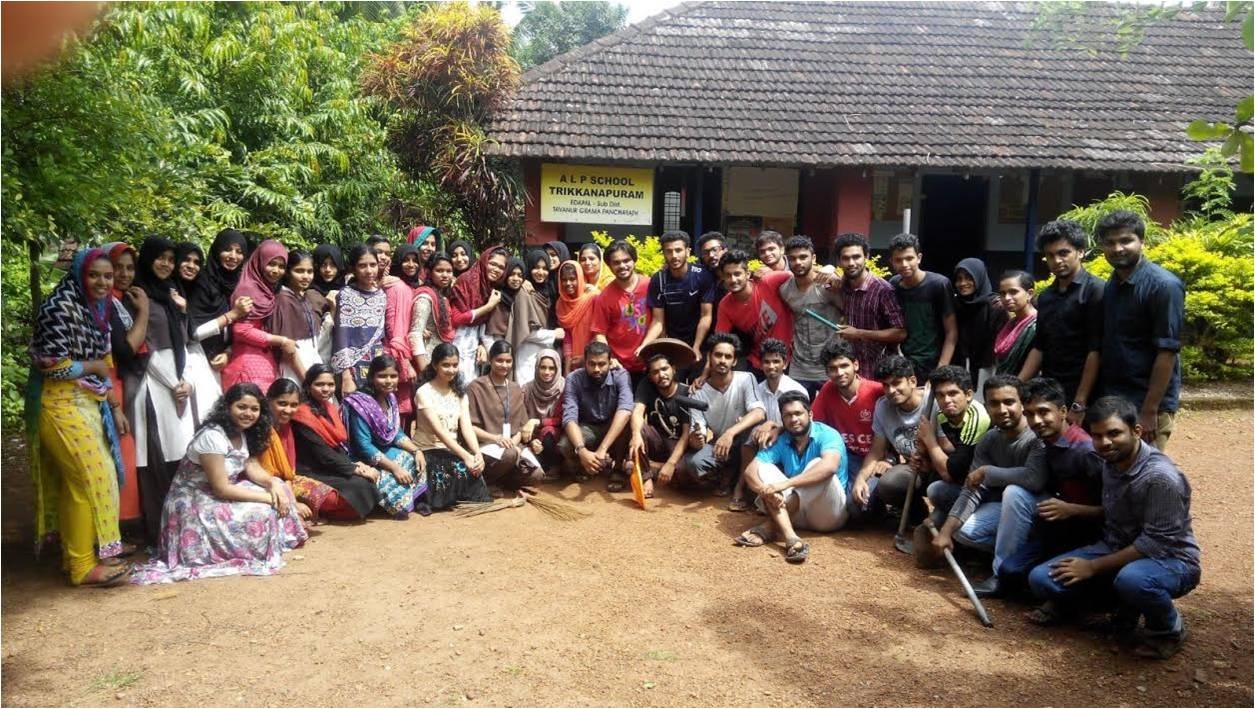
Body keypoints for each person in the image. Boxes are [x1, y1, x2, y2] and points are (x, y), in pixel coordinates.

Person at [1027, 396, 1199, 659]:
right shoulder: (1111, 462)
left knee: (1134, 580)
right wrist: (1074, 510)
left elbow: (1155, 543)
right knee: (1041, 579)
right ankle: (1119, 606)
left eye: (1114, 433)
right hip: (1116, 546)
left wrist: (1093, 566)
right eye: (1097, 436)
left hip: (1170, 559)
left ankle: (1168, 629)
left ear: (1136, 431)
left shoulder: (1160, 478)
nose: (1105, 442)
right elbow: (1112, 511)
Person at [130, 383, 308, 584]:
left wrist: (272, 485)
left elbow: (251, 466)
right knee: (263, 510)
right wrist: (267, 498)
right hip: (195, 500)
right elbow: (221, 489)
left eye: (254, 409)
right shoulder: (212, 436)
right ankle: (242, 552)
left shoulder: (243, 431)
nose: (248, 413)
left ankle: (276, 542)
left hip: (219, 491)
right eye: (242, 407)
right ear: (227, 407)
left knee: (280, 486)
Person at [29, 248, 130, 586]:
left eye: (107, 276)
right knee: (90, 478)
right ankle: (82, 566)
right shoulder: (59, 307)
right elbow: (52, 365)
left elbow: (105, 362)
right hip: (57, 403)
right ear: (78, 275)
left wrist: (114, 406)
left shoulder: (98, 309)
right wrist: (94, 366)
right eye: (94, 275)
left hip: (89, 401)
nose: (102, 282)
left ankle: (77, 558)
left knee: (85, 482)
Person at [930, 375, 1047, 598]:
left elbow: (1034, 479)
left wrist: (988, 472)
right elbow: (972, 488)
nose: (1002, 410)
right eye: (994, 403)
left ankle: (1002, 574)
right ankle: (1018, 557)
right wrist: (945, 532)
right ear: (986, 406)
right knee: (961, 531)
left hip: (1041, 512)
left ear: (1022, 403)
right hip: (1006, 509)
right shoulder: (990, 439)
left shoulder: (1036, 435)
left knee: (1014, 493)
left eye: (1009, 402)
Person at [997, 378, 1104, 594]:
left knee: (1035, 578)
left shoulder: (1085, 451)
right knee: (1009, 571)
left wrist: (1072, 509)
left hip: (1091, 533)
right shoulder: (1047, 442)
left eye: (1044, 412)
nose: (1036, 421)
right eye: (1029, 414)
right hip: (1059, 528)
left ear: (1063, 411)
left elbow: (1117, 511)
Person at [1096, 209, 1184, 450]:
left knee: (1146, 466)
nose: (1118, 249)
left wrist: (1150, 409)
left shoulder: (1164, 286)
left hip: (1147, 400)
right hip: (1115, 396)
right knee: (1115, 464)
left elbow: (1167, 351)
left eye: (1126, 240)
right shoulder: (1113, 284)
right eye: (1110, 242)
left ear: (1142, 241)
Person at [131, 236, 197, 544]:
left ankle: (181, 526)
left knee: (180, 453)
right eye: (160, 258)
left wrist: (185, 381)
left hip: (178, 381)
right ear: (147, 259)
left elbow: (182, 342)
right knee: (157, 455)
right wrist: (173, 383)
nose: (166, 264)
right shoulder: (137, 295)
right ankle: (158, 530)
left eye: (171, 259)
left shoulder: (170, 295)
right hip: (153, 383)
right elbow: (143, 347)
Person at [734, 391, 850, 564]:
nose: (793, 419)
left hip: (827, 515)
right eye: (787, 415)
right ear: (782, 419)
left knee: (818, 464)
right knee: (764, 468)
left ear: (810, 414)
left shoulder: (827, 434)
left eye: (798, 413)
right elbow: (751, 471)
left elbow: (830, 466)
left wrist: (783, 485)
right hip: (795, 515)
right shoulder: (782, 439)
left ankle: (771, 526)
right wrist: (765, 491)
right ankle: (790, 537)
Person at [1018, 219, 1104, 419]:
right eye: (1050, 255)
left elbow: (1096, 350)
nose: (1056, 260)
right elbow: (1040, 347)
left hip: (1087, 394)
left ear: (1080, 252)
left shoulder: (1096, 291)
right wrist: (1016, 386)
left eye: (1063, 253)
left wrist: (1080, 403)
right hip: (1052, 391)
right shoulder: (1046, 297)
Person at [290, 364, 381, 521]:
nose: (326, 389)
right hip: (310, 469)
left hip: (328, 466)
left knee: (365, 482)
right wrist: (354, 469)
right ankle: (317, 511)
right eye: (319, 384)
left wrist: (355, 465)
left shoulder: (330, 409)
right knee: (358, 487)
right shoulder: (302, 415)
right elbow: (322, 453)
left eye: (330, 384)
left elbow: (336, 447)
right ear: (308, 386)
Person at [342, 355, 427, 518]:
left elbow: (395, 432)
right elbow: (363, 445)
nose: (388, 381)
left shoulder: (390, 398)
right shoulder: (360, 405)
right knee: (391, 473)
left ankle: (416, 500)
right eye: (382, 376)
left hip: (384, 450)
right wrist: (395, 468)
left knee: (414, 459)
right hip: (363, 456)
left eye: (393, 376)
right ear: (371, 378)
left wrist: (417, 451)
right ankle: (397, 506)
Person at [849, 355, 930, 523]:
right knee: (863, 502)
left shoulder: (932, 402)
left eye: (897, 383)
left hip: (938, 468)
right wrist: (861, 479)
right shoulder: (883, 406)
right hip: (912, 469)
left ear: (912, 381)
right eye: (886, 385)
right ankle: (917, 515)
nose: (891, 390)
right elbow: (876, 451)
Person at [683, 333, 766, 495]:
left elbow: (759, 413)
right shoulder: (697, 393)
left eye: (728, 356)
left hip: (743, 441)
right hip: (719, 444)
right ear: (709, 357)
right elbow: (698, 434)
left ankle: (739, 484)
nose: (722, 360)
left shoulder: (746, 379)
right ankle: (724, 475)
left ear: (734, 361)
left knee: (751, 430)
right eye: (718, 355)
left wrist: (730, 433)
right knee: (694, 463)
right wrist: (696, 439)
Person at [412, 343, 492, 510]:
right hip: (428, 449)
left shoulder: (460, 392)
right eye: (446, 365)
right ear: (435, 365)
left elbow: (467, 427)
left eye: (455, 365)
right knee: (456, 469)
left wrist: (477, 453)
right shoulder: (424, 392)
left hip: (451, 449)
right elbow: (439, 431)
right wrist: (466, 456)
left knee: (473, 470)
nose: (451, 370)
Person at [259, 378, 349, 523]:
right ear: (269, 401)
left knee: (344, 499)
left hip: (289, 479)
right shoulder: (261, 429)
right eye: (282, 404)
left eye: (293, 405)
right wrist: (292, 501)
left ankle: (309, 510)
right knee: (333, 502)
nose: (288, 410)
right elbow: (265, 472)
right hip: (267, 483)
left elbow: (289, 470)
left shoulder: (287, 426)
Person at [732, 338, 808, 510]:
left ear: (785, 363)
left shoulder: (796, 389)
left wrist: (775, 426)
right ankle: (740, 488)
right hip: (763, 439)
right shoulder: (757, 389)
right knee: (749, 434)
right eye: (766, 362)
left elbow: (802, 425)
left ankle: (766, 494)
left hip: (790, 439)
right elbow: (750, 415)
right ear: (760, 364)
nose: (771, 366)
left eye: (776, 361)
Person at [104, 241, 147, 528]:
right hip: (109, 382)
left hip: (121, 380)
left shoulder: (123, 300)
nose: (124, 274)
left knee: (125, 451)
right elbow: (125, 349)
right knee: (118, 450)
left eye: (130, 268)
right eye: (117, 268)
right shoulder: (107, 303)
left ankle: (121, 524)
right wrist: (144, 311)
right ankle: (114, 525)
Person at [771, 235, 844, 397]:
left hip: (829, 364)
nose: (798, 262)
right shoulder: (785, 290)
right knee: (796, 408)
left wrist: (832, 270)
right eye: (793, 258)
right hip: (800, 367)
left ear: (814, 258)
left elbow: (849, 313)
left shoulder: (828, 286)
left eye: (803, 257)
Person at [467, 341, 545, 489]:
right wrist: (496, 439)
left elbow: (522, 426)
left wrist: (514, 443)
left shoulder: (515, 388)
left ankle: (503, 480)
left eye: (508, 361)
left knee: (537, 476)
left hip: (512, 445)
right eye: (499, 360)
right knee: (509, 455)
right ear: (490, 360)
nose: (504, 365)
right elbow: (469, 427)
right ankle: (487, 482)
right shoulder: (476, 387)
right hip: (486, 446)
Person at [917, 366, 991, 522]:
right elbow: (950, 456)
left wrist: (929, 440)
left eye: (953, 393)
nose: (946, 400)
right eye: (940, 395)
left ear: (968, 395)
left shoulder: (978, 418)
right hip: (963, 478)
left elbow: (949, 474)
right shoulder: (942, 415)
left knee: (936, 490)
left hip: (983, 488)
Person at [559, 340, 634, 489]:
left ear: (610, 363)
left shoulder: (621, 375)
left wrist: (603, 449)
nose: (596, 369)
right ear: (585, 363)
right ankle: (583, 465)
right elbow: (569, 417)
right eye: (592, 364)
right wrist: (581, 450)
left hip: (612, 426)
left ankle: (618, 469)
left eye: (602, 364)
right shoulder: (573, 379)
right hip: (587, 427)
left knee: (626, 423)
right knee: (565, 445)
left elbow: (625, 410)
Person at [221, 239, 294, 393]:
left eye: (281, 266)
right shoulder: (248, 288)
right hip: (247, 366)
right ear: (259, 262)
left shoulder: (267, 290)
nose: (276, 270)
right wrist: (281, 341)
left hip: (264, 364)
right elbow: (241, 330)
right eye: (271, 264)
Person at [831, 232, 906, 376]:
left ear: (866, 257)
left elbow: (900, 332)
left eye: (856, 257)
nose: (851, 263)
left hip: (880, 372)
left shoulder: (883, 290)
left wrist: (858, 333)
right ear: (839, 261)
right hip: (854, 371)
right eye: (846, 258)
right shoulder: (843, 285)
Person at [812, 339, 884, 479]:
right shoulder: (827, 389)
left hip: (878, 458)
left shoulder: (877, 390)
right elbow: (811, 424)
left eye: (844, 366)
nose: (839, 372)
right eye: (833, 368)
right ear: (827, 372)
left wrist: (891, 459)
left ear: (855, 365)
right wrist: (779, 429)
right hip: (848, 457)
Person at [638, 230, 716, 360]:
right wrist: (645, 345)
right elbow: (658, 321)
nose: (674, 255)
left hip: (700, 342)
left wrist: (696, 347)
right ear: (664, 254)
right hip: (672, 343)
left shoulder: (702, 275)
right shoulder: (658, 279)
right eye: (669, 251)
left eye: (678, 250)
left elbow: (706, 316)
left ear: (688, 251)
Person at [888, 233, 957, 379]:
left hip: (934, 362)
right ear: (892, 262)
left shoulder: (939, 284)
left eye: (909, 258)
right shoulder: (893, 284)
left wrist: (941, 369)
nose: (904, 264)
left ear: (919, 258)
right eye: (898, 260)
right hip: (905, 363)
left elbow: (951, 332)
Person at [714, 249, 793, 375]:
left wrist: (826, 271)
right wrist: (706, 372)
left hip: (790, 359)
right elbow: (719, 341)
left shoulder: (767, 281)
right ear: (723, 278)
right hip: (759, 362)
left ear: (747, 274)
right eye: (728, 275)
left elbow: (802, 273)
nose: (733, 279)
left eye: (737, 274)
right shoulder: (725, 306)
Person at [627, 353, 693, 498]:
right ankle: (646, 476)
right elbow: (638, 411)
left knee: (685, 474)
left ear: (673, 369)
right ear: (650, 376)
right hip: (658, 442)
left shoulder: (686, 392)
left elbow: (686, 434)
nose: (661, 375)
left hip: (679, 447)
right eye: (655, 372)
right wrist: (636, 434)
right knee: (638, 427)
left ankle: (652, 467)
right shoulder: (646, 385)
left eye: (664, 369)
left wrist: (671, 463)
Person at [173, 242, 223, 425]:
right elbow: (192, 333)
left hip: (206, 359)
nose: (191, 266)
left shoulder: (203, 286)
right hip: (176, 362)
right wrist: (230, 316)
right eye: (186, 260)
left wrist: (228, 350)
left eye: (196, 262)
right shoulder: (169, 290)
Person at [590, 240, 652, 385]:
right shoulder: (604, 297)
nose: (622, 266)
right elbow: (599, 333)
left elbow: (659, 320)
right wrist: (610, 359)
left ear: (634, 260)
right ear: (609, 266)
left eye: (626, 260)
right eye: (616, 263)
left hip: (650, 363)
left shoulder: (650, 285)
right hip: (619, 368)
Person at [184, 228, 248, 368]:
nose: (233, 256)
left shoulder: (239, 284)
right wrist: (233, 314)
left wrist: (228, 352)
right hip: (196, 357)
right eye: (227, 250)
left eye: (239, 252)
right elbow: (194, 333)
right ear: (217, 251)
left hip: (223, 358)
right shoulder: (201, 281)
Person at [332, 245, 387, 394]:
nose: (369, 271)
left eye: (373, 265)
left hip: (378, 363)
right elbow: (341, 337)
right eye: (362, 266)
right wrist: (346, 377)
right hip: (353, 366)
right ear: (353, 269)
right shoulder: (346, 295)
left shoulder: (381, 295)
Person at [449, 246, 508, 383]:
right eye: (492, 264)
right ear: (484, 262)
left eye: (501, 267)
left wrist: (482, 344)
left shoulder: (490, 287)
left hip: (474, 346)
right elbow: (457, 319)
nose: (496, 269)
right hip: (457, 342)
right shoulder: (466, 280)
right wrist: (488, 307)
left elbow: (482, 323)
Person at [374, 238, 417, 425]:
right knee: (393, 411)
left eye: (415, 260)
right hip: (396, 355)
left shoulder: (401, 284)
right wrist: (404, 362)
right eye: (406, 260)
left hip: (400, 352)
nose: (411, 265)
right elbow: (395, 327)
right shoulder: (397, 287)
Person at [271, 249, 329, 385]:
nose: (306, 276)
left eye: (309, 271)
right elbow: (288, 350)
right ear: (287, 272)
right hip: (294, 369)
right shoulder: (284, 299)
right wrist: (306, 382)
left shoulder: (303, 297)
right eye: (299, 271)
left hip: (311, 363)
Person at [951, 257, 1006, 398]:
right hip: (960, 368)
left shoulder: (995, 306)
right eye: (959, 279)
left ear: (979, 277)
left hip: (987, 369)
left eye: (969, 278)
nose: (963, 283)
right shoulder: (956, 305)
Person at [509, 250, 563, 386]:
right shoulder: (523, 293)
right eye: (536, 267)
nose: (540, 272)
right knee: (527, 392)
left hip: (547, 354)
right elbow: (523, 332)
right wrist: (553, 334)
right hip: (527, 355)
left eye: (545, 268)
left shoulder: (548, 291)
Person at [410, 252, 458, 374]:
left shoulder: (443, 297)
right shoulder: (425, 297)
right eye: (439, 270)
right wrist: (425, 370)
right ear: (429, 272)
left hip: (443, 361)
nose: (445, 275)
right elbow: (415, 334)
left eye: (449, 271)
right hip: (428, 361)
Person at [522, 348, 565, 474]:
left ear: (558, 369)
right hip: (531, 435)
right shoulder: (527, 389)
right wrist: (531, 440)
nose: (547, 372)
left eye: (552, 368)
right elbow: (521, 417)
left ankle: (555, 466)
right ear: (537, 367)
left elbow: (563, 419)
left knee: (548, 432)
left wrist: (538, 422)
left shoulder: (565, 387)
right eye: (543, 367)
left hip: (558, 434)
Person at [555, 259, 598, 370]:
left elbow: (599, 333)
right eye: (564, 280)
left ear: (580, 278)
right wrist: (567, 369)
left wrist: (585, 357)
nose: (568, 283)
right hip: (573, 362)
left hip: (595, 360)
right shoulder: (561, 304)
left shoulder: (594, 298)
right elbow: (567, 337)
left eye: (572, 279)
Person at [993, 270, 1037, 376]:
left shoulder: (1036, 325)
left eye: (1013, 292)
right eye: (1003, 293)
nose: (1007, 298)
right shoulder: (1011, 323)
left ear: (1030, 294)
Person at [695, 231, 729, 325]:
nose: (711, 255)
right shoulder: (702, 277)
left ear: (725, 250)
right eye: (705, 252)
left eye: (715, 250)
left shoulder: (738, 275)